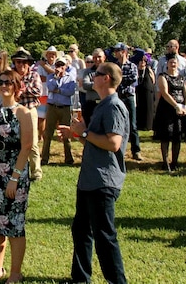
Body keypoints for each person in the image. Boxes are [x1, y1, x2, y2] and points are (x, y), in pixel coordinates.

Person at [57, 62, 128, 284]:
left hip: (103, 181)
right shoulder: (101, 105)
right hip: (90, 180)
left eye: (95, 74)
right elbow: (95, 138)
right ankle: (80, 278)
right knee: (81, 230)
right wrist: (75, 133)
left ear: (106, 78)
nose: (91, 78)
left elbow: (113, 143)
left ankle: (117, 281)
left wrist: (84, 133)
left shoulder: (113, 106)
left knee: (104, 236)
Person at [0, 70, 34, 284]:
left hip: (15, 173)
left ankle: (16, 273)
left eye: (8, 83)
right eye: (1, 82)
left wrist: (14, 178)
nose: (4, 86)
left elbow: (27, 147)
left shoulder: (24, 112)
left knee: (14, 223)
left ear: (16, 86)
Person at [153, 53, 186, 172]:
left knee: (177, 136)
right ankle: (165, 162)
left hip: (180, 110)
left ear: (178, 65)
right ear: (167, 65)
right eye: (170, 63)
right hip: (166, 109)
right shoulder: (162, 76)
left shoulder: (181, 78)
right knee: (166, 136)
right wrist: (176, 106)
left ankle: (175, 162)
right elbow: (164, 93)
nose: (173, 64)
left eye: (174, 63)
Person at [11, 48, 43, 180]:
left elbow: (38, 91)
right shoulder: (11, 74)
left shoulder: (34, 75)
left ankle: (36, 172)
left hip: (30, 110)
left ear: (28, 63)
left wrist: (22, 88)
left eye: (23, 62)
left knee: (33, 142)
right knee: (15, 141)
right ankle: (18, 169)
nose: (20, 64)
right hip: (15, 110)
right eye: (18, 62)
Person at [42, 55, 77, 165]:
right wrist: (57, 79)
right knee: (48, 134)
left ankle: (69, 159)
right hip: (52, 107)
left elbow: (70, 91)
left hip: (65, 108)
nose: (59, 67)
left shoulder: (70, 78)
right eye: (57, 65)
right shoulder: (50, 77)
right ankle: (44, 158)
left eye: (62, 65)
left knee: (66, 134)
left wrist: (59, 90)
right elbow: (51, 88)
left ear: (66, 66)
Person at [134, 50, 156, 131]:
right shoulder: (135, 70)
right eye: (141, 61)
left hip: (148, 90)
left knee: (148, 107)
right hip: (138, 90)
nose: (142, 62)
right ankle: (140, 124)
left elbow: (153, 80)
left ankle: (148, 125)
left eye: (144, 61)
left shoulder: (148, 69)